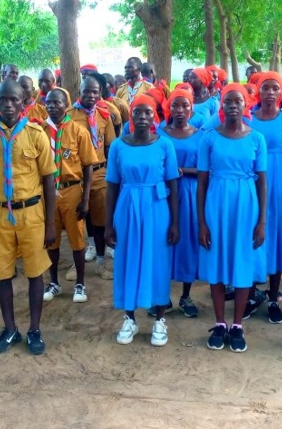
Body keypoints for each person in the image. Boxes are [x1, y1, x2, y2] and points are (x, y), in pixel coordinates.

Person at [0, 79, 56, 356]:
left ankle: (34, 329)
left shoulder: (36, 134)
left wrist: (51, 224)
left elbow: (48, 180)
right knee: (2, 273)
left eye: (14, 100)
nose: (8, 105)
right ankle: (10, 329)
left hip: (32, 213)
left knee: (35, 273)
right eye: (3, 99)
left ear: (24, 101)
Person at [198, 84, 268, 353]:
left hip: (246, 204)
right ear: (222, 106)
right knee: (216, 263)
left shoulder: (256, 139)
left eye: (238, 100)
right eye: (228, 101)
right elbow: (202, 182)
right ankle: (219, 323)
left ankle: (237, 325)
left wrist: (261, 221)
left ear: (246, 104)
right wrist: (201, 222)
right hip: (217, 202)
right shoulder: (209, 138)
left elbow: (262, 182)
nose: (232, 105)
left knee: (242, 262)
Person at [106, 94, 179, 346]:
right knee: (128, 259)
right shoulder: (118, 145)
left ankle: (159, 319)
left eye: (148, 112)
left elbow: (173, 184)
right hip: (127, 207)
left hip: (158, 208)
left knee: (158, 261)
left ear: (154, 116)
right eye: (138, 112)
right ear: (131, 116)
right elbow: (112, 186)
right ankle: (129, 318)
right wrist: (108, 224)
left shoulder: (164, 145)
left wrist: (176, 222)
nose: (143, 116)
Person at [246, 73, 282, 323]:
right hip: (252, 182)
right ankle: (248, 294)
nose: (269, 92)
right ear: (258, 91)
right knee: (250, 235)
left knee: (277, 237)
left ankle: (273, 296)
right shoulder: (249, 119)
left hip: (278, 183)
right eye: (265, 88)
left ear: (281, 93)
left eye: (275, 88)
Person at [41, 88, 97, 303]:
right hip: (47, 193)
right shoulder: (40, 131)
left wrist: (85, 200)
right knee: (50, 239)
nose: (52, 106)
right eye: (49, 102)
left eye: (57, 103)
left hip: (71, 189)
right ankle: (54, 282)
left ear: (66, 105)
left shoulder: (78, 130)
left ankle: (80, 284)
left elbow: (88, 166)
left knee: (76, 240)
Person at [158, 88, 203, 317]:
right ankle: (162, 296)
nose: (180, 110)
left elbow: (206, 169)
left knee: (187, 243)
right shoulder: (160, 133)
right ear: (169, 108)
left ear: (191, 108)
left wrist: (182, 170)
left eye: (185, 105)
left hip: (189, 193)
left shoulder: (200, 134)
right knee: (163, 241)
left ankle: (185, 296)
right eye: (175, 105)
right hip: (163, 194)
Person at [70, 75, 117, 274]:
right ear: (79, 92)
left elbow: (109, 147)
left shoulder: (104, 115)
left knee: (99, 218)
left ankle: (100, 260)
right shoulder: (69, 116)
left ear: (100, 94)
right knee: (77, 219)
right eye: (86, 91)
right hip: (76, 174)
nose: (90, 95)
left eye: (95, 92)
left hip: (99, 172)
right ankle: (80, 256)